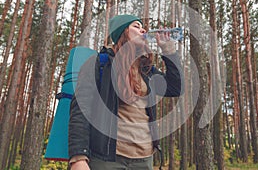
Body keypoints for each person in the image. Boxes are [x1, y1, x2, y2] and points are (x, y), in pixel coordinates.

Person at [68, 14, 183, 170]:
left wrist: (168, 50)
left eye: (143, 27)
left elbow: (176, 87)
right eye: (136, 26)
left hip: (144, 159)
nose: (143, 30)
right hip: (107, 159)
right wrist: (78, 158)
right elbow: (81, 109)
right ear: (122, 32)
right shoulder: (99, 64)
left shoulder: (146, 71)